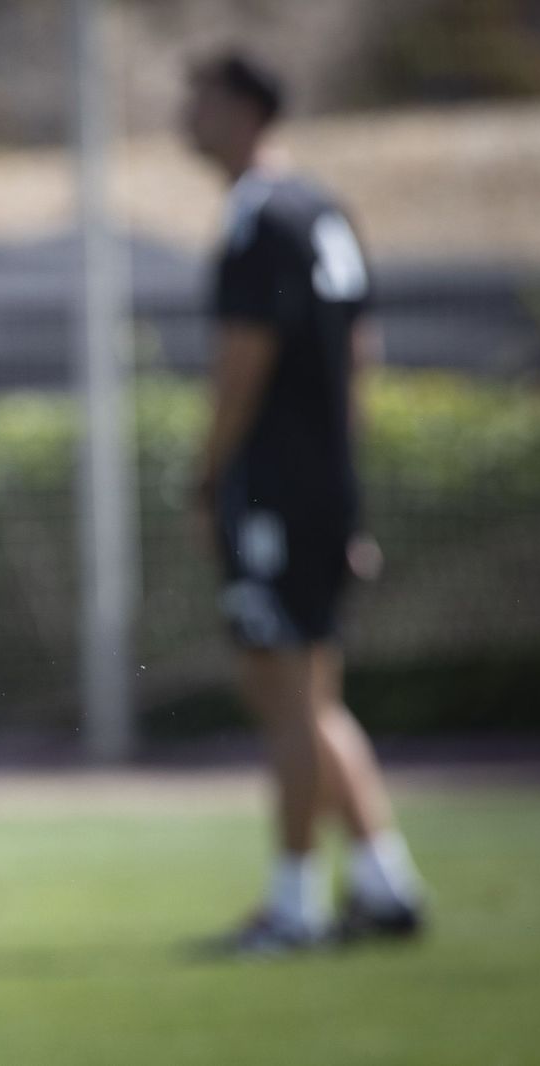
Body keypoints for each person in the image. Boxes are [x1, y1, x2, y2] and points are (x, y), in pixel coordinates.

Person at [183, 50, 425, 953]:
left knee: (282, 694)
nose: (188, 118)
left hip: (276, 495)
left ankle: (295, 907)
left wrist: (209, 475)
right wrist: (343, 487)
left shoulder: (258, 221)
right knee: (313, 695)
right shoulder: (321, 209)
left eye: (200, 102)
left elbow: (243, 364)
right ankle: (385, 884)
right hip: (323, 487)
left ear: (246, 110)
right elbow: (361, 352)